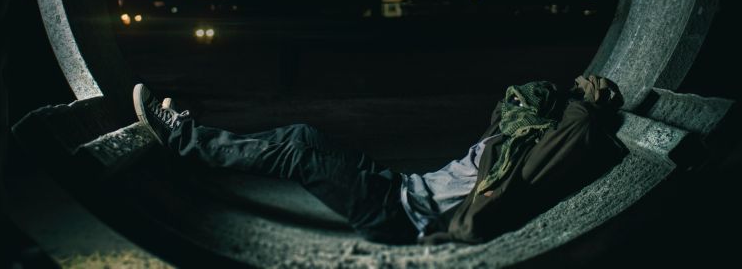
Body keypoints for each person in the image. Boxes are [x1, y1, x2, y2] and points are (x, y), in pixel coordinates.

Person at [132, 75, 625, 245]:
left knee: (299, 157)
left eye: (575, 95)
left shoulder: (549, 147)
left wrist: (585, 105)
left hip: (399, 216)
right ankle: (199, 140)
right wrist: (554, 99)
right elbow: (511, 104)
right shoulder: (519, 134)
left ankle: (183, 140)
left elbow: (579, 130)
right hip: (399, 186)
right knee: (305, 134)